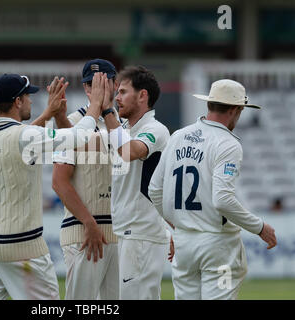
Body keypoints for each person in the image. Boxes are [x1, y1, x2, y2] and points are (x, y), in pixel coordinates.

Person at [0, 72, 106, 300]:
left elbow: (20, 140)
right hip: (21, 247)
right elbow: (79, 136)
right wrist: (95, 103)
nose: (31, 100)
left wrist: (48, 113)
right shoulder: (24, 136)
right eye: (27, 96)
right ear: (18, 101)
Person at [149, 79, 277, 300]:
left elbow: (154, 190)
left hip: (184, 244)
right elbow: (222, 200)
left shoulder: (178, 136)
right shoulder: (227, 143)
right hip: (218, 247)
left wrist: (177, 226)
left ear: (210, 104)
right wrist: (259, 227)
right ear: (236, 109)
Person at [101, 65, 173, 299]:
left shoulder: (156, 129)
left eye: (122, 92)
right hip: (128, 231)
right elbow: (82, 147)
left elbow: (129, 152)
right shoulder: (123, 128)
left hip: (141, 233)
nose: (117, 98)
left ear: (143, 96)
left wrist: (105, 111)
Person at [52, 59, 119, 299]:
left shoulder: (123, 126)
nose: (97, 88)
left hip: (119, 233)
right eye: (91, 83)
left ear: (115, 84)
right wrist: (89, 223)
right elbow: (59, 181)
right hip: (83, 233)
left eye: (104, 82)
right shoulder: (71, 121)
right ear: (85, 88)